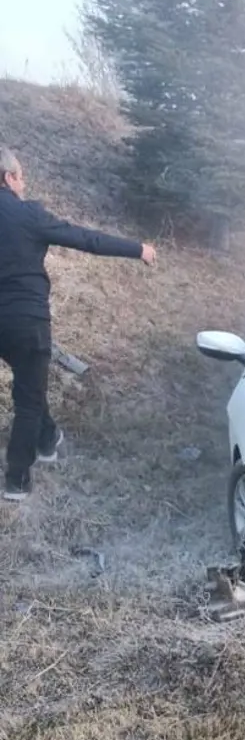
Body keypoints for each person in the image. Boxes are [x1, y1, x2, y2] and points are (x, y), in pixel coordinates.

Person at [0, 147, 156, 501]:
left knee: (31, 383)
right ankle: (17, 480)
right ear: (9, 178)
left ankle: (48, 438)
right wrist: (138, 249)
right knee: (27, 397)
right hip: (26, 320)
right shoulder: (28, 215)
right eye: (21, 176)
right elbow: (87, 239)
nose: (24, 183)